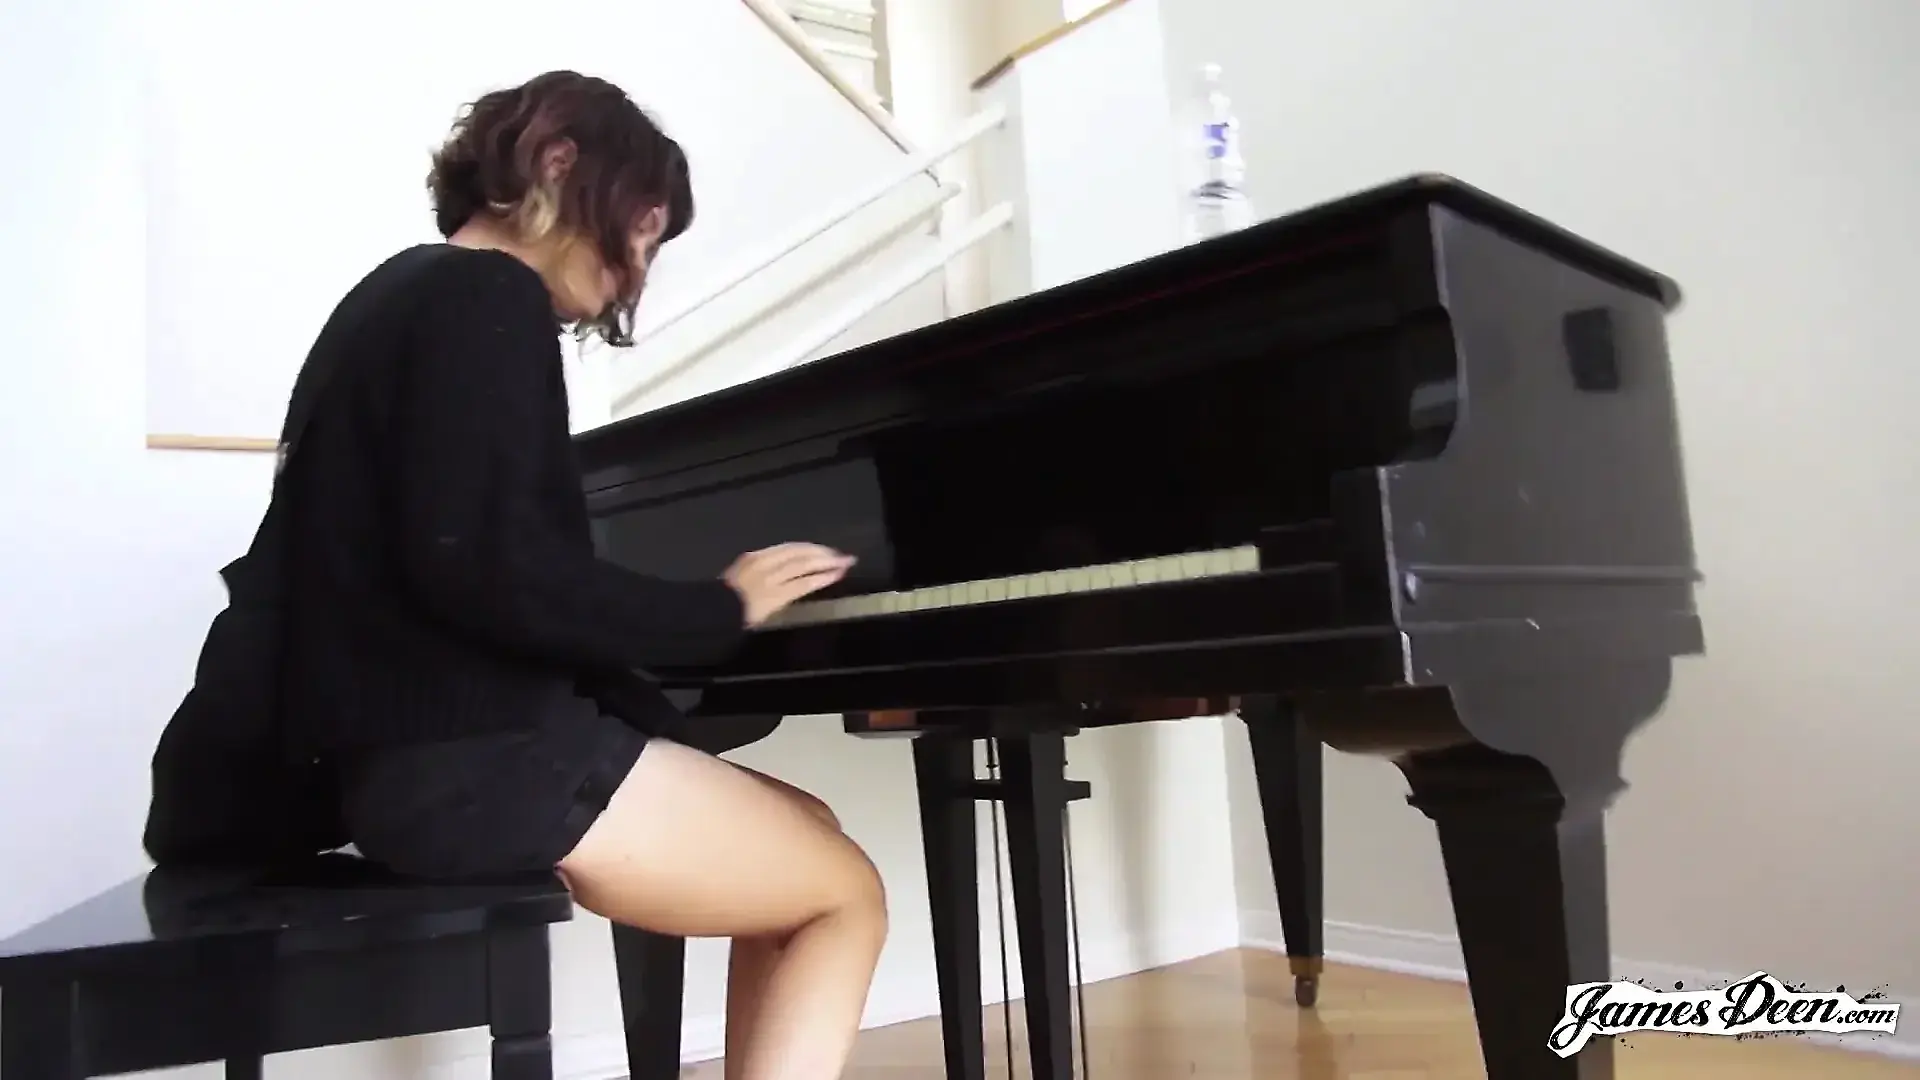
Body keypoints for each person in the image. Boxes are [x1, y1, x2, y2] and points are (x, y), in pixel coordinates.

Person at [277, 70, 885, 1080]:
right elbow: (502, 576)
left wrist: (653, 703)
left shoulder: (397, 299)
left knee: (807, 837)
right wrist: (719, 607)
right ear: (558, 164)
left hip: (409, 764)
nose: (640, 265)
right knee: (845, 893)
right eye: (643, 226)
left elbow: (475, 568)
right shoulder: (484, 298)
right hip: (471, 768)